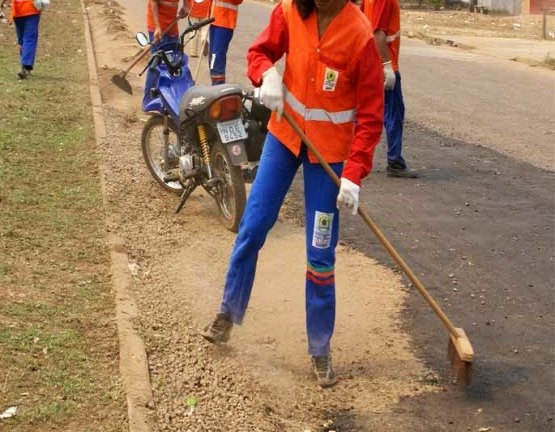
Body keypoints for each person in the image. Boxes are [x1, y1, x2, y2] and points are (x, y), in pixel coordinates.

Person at [201, 0, 384, 387]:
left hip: (330, 157)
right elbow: (258, 52)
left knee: (320, 252)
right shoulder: (288, 12)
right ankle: (228, 312)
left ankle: (320, 348)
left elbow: (370, 115)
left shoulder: (360, 35)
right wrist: (266, 74)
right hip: (285, 139)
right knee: (253, 225)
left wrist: (353, 174)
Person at [362, 0, 418, 178]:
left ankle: (344, 156)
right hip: (384, 66)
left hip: (370, 63)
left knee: (364, 113)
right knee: (393, 113)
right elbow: (378, 31)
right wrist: (386, 65)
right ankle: (395, 161)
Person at [144, 0, 188, 109]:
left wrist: (186, 6)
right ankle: (149, 101)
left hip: (172, 25)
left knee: (174, 63)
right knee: (157, 63)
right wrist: (157, 27)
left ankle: (170, 100)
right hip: (157, 26)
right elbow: (153, 2)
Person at [207, 0, 242, 85]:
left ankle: (218, 86)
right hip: (214, 19)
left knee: (217, 59)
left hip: (225, 23)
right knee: (212, 58)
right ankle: (215, 86)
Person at [9, 0, 45, 79]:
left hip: (20, 11)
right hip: (29, 10)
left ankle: (25, 66)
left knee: (25, 39)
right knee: (27, 39)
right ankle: (26, 66)